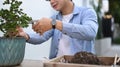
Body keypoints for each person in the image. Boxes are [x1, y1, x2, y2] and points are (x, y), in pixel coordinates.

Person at [18, 0, 98, 59]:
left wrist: (55, 24)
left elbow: (90, 32)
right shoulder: (54, 18)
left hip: (80, 64)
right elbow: (42, 36)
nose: (51, 2)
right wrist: (26, 36)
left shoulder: (87, 12)